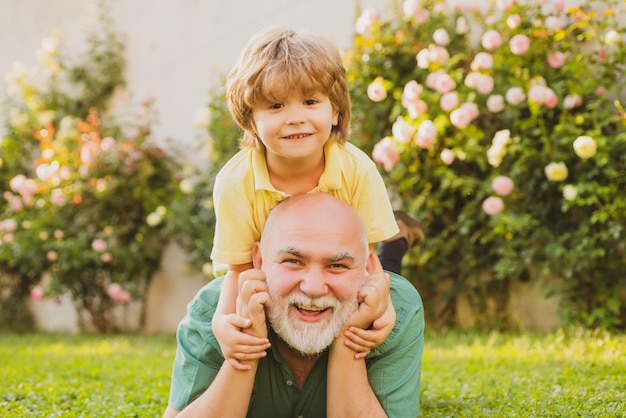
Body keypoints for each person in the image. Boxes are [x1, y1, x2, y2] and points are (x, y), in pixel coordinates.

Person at [210, 26, 425, 370]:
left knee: (388, 284)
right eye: (276, 105)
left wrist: (384, 304)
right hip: (279, 278)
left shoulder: (357, 170)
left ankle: (395, 242)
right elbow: (238, 271)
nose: (296, 117)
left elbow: (364, 265)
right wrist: (222, 322)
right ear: (250, 120)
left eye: (311, 102)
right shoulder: (236, 183)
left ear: (336, 110)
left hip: (341, 267)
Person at [163, 193, 424, 417]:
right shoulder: (214, 310)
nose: (312, 287)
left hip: (364, 282)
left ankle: (395, 241)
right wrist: (245, 349)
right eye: (292, 261)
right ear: (259, 259)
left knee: (374, 278)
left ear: (366, 267)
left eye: (337, 265)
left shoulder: (398, 309)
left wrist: (349, 337)